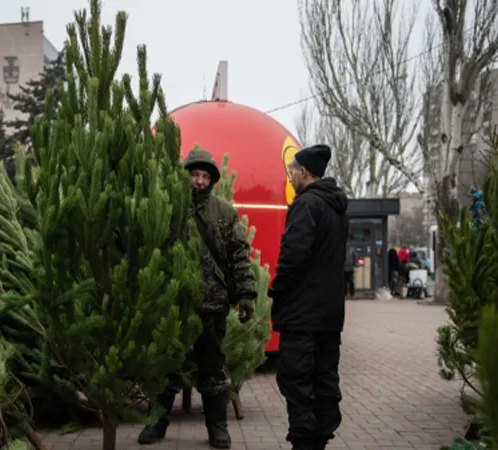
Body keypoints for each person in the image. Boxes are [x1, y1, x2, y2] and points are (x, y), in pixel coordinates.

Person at [138, 145, 256, 449]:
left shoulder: (225, 212)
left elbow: (238, 256)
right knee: (165, 365)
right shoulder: (168, 207)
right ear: (185, 176)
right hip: (172, 303)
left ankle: (217, 427)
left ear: (212, 180)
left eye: (205, 176)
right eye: (194, 174)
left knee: (213, 367)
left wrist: (245, 294)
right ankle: (156, 423)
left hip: (212, 302)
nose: (199, 181)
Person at [268, 144, 349, 450]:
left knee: (297, 382)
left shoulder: (306, 205)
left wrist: (276, 289)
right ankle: (320, 441)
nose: (289, 177)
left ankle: (304, 445)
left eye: (291, 171)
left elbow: (293, 255)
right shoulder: (337, 206)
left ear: (303, 171)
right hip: (330, 316)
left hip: (302, 316)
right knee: (325, 381)